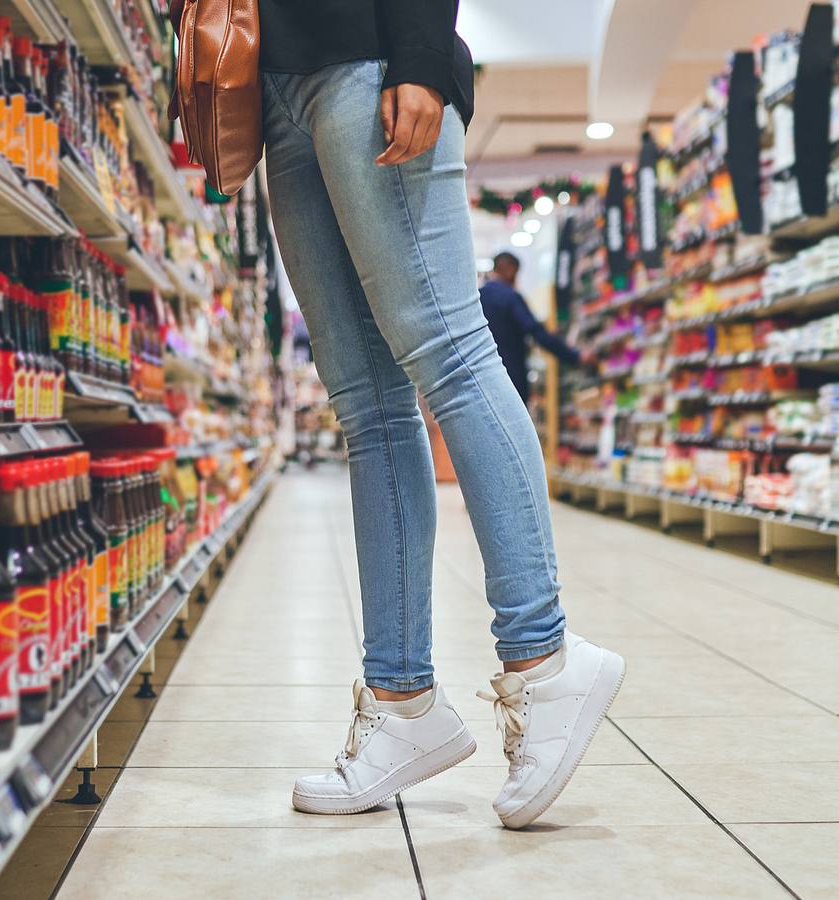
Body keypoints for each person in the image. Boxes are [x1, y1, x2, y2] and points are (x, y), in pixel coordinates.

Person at [250, 0, 625, 829]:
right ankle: (402, 704)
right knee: (368, 409)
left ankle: (545, 659)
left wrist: (418, 55)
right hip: (272, 83)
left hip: (367, 55)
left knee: (452, 357)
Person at [479, 251, 591, 402]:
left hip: (484, 380)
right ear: (511, 269)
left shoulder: (478, 298)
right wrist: (574, 356)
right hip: (511, 378)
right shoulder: (510, 297)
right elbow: (537, 332)